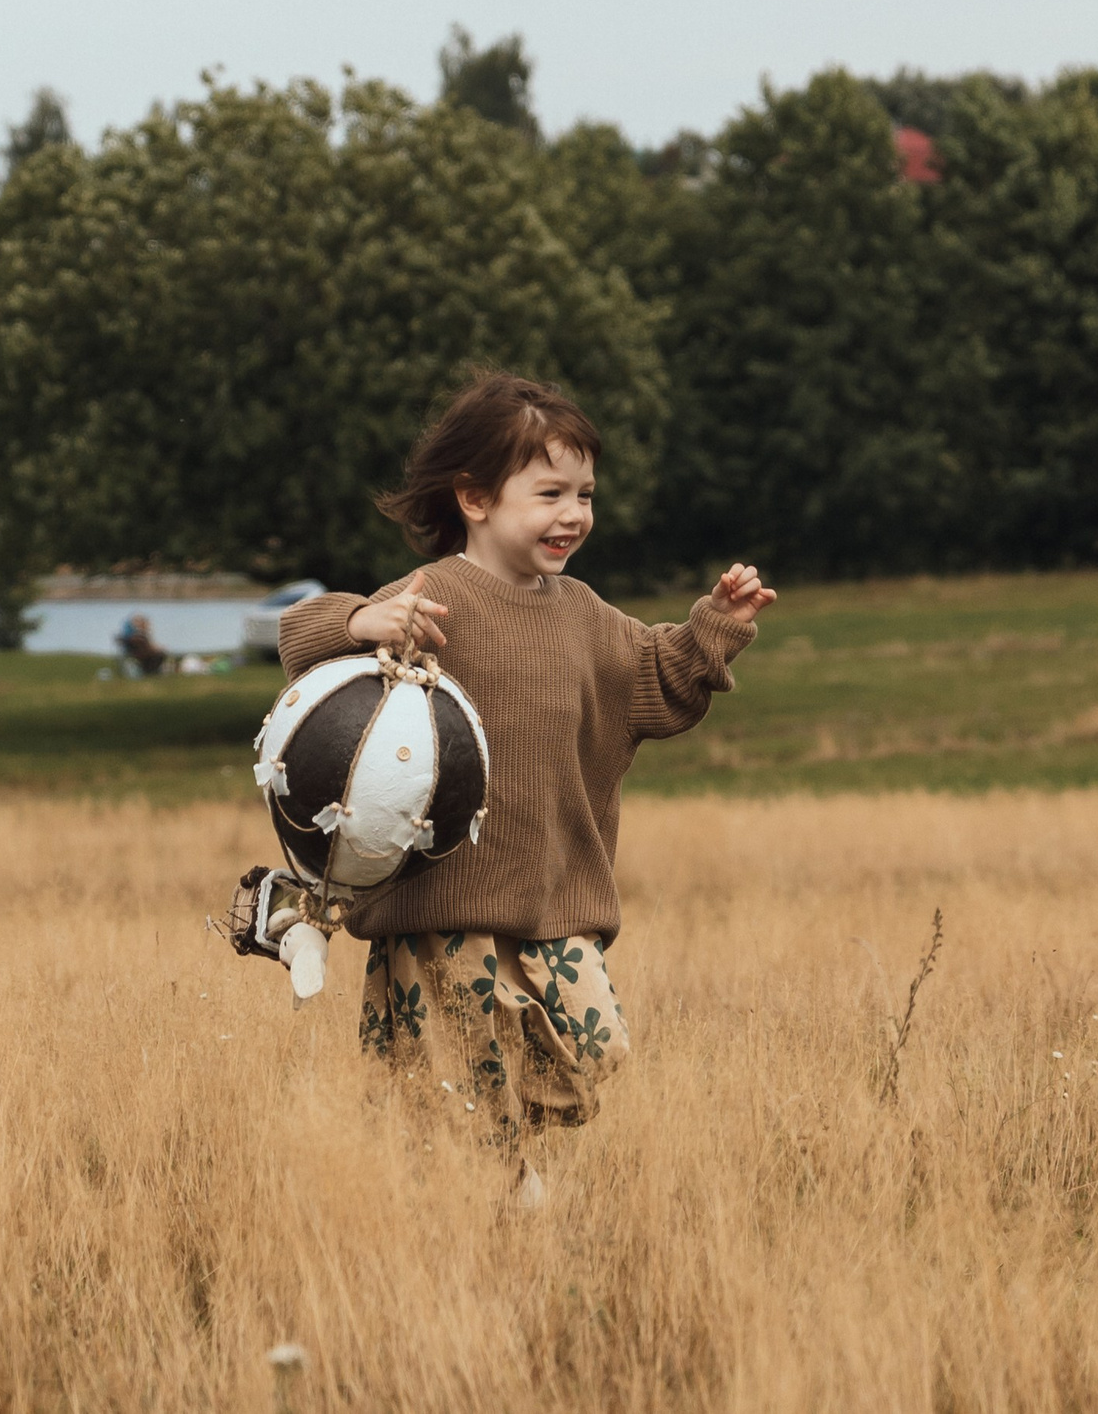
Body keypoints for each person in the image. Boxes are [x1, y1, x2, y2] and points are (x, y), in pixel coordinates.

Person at [274, 372, 774, 1192]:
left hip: (554, 905)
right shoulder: (433, 599)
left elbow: (657, 675)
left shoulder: (580, 611)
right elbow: (302, 636)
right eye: (549, 492)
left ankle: (491, 1167)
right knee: (459, 1091)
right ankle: (492, 1198)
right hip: (441, 911)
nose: (573, 513)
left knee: (595, 1049)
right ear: (474, 497)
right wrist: (365, 622)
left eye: (584, 493)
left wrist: (715, 625)